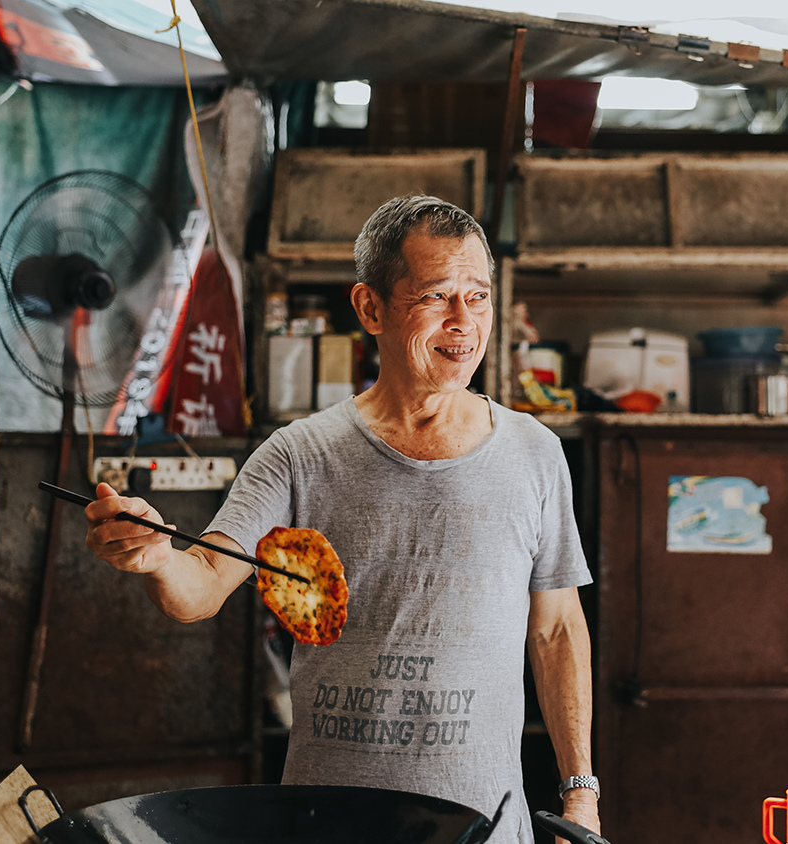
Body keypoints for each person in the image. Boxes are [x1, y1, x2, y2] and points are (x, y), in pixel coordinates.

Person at [85, 195, 599, 843]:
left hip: (484, 829)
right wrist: (158, 556)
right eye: (437, 297)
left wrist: (581, 793)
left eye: (479, 297)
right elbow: (203, 584)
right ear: (370, 308)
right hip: (327, 825)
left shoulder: (534, 453)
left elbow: (556, 630)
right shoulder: (300, 453)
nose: (464, 322)